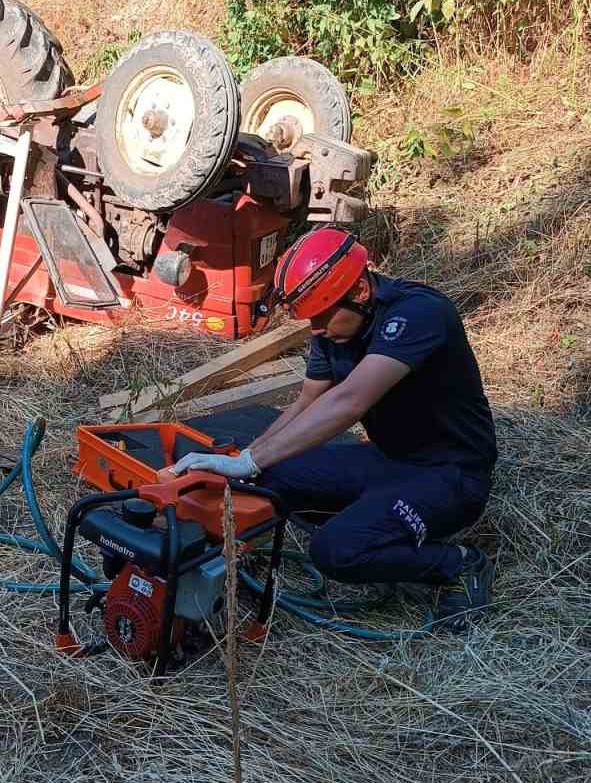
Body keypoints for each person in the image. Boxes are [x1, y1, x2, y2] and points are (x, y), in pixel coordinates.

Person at [166, 228, 497, 630]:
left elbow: (349, 401)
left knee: (337, 550)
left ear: (359, 291)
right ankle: (371, 516)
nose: (316, 330)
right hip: (389, 459)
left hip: (452, 474)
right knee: (270, 475)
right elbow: (306, 403)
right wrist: (246, 461)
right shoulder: (336, 325)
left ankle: (458, 564)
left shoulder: (419, 314)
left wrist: (250, 459)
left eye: (321, 317)